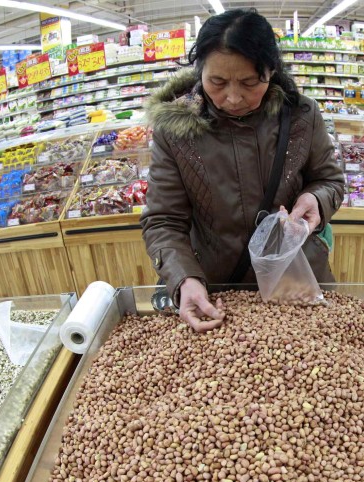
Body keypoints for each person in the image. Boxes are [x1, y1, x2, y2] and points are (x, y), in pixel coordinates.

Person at [141, 9, 345, 332]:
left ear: (271, 71)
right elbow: (163, 220)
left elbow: (329, 180)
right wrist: (185, 278)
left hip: (296, 283)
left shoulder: (302, 115)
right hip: (218, 295)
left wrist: (316, 200)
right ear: (199, 71)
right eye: (217, 82)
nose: (233, 98)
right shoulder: (174, 131)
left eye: (250, 82)